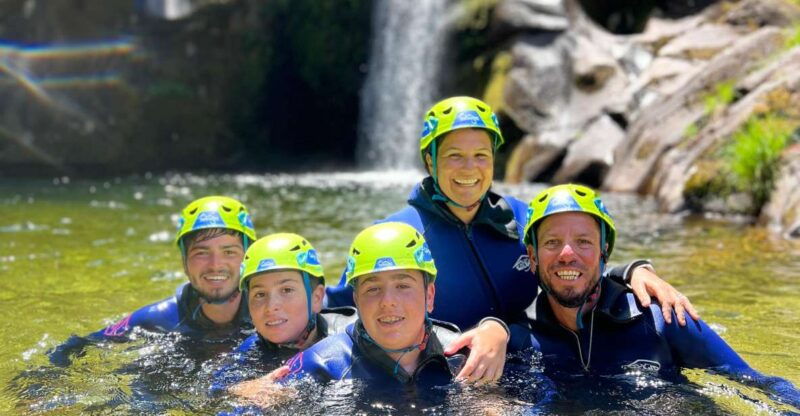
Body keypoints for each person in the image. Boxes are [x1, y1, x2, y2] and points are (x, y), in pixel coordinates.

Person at [326, 96, 699, 380]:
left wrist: (632, 270)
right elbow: (341, 308)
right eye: (454, 156)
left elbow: (577, 265)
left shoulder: (524, 219)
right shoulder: (396, 236)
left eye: (481, 155)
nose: (469, 169)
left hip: (532, 369)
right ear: (429, 161)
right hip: (447, 380)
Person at [508, 184, 800, 408]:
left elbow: (760, 383)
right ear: (532, 256)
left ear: (604, 253)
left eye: (583, 242)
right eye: (552, 242)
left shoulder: (662, 318)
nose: (567, 254)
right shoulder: (519, 340)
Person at [49, 196, 257, 366]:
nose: (215, 265)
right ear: (184, 262)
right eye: (201, 253)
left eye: (229, 252)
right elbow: (75, 346)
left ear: (249, 257)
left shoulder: (273, 312)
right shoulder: (159, 318)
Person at [280, 222, 471, 386]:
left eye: (403, 286)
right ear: (356, 300)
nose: (388, 301)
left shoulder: (465, 359)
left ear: (429, 296)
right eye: (373, 289)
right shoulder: (319, 367)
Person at [211, 233, 357, 395]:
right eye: (260, 294)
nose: (271, 306)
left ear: (316, 298)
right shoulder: (251, 350)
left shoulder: (352, 338)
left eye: (287, 290)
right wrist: (240, 390)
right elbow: (216, 390)